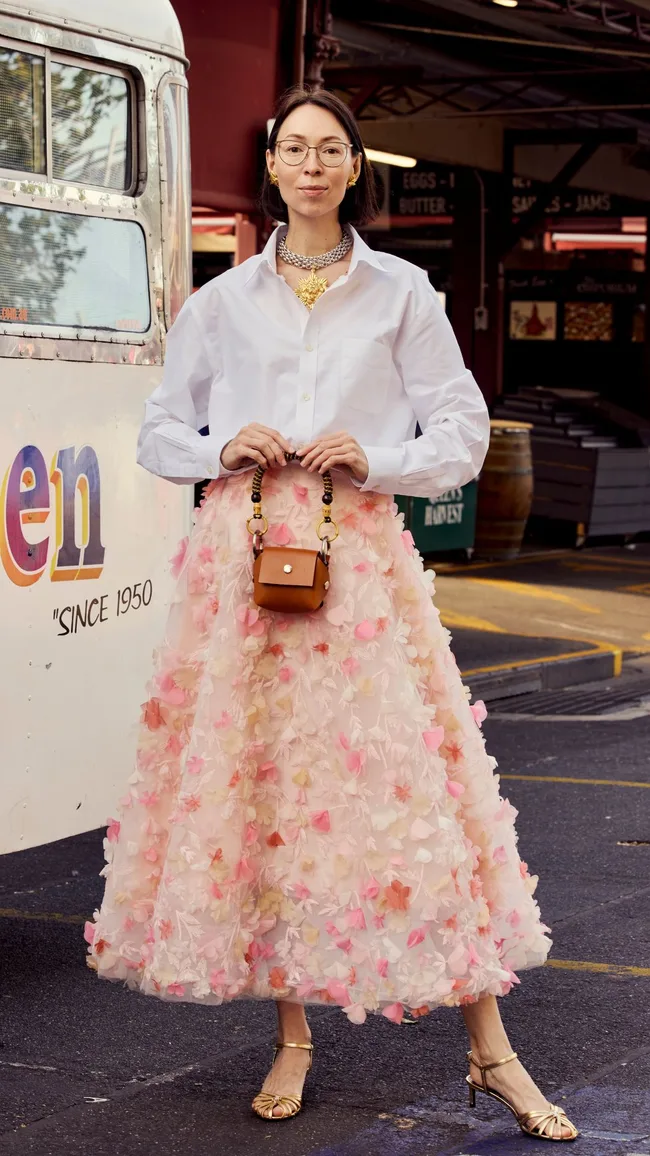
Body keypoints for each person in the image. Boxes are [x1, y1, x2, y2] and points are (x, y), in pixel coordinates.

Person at [85, 86, 578, 1141]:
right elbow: (159, 428)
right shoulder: (220, 301)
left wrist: (378, 455)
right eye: (292, 149)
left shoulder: (401, 292)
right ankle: (294, 1038)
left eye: (329, 150)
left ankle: (491, 1050)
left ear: (355, 169)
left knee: (408, 792)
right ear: (271, 168)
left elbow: (460, 429)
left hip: (357, 565)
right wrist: (222, 446)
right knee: (268, 791)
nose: (310, 164)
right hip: (249, 558)